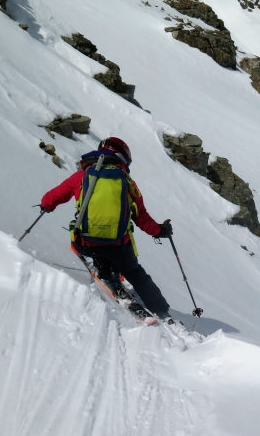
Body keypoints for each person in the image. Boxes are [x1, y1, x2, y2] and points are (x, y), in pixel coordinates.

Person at [40, 137, 172, 320]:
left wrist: (46, 205)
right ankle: (161, 310)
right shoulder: (127, 182)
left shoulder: (81, 176)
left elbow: (51, 197)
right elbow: (142, 217)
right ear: (123, 157)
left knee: (78, 233)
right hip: (120, 246)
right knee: (136, 273)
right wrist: (161, 231)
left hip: (86, 242)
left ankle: (102, 267)